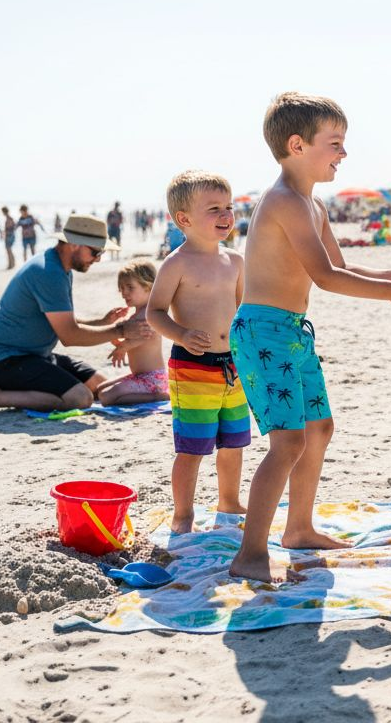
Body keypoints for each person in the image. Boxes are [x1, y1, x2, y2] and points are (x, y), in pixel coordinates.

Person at [228, 93, 391, 582]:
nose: (343, 154)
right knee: (286, 441)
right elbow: (323, 277)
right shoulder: (283, 201)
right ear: (297, 145)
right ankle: (250, 552)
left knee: (318, 429)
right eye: (336, 144)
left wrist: (390, 276)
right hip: (262, 332)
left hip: (292, 333)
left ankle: (298, 528)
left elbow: (340, 267)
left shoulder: (313, 204)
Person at [0, 215, 154, 414]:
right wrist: (120, 330)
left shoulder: (61, 268)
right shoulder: (49, 272)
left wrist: (101, 322)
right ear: (74, 244)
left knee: (99, 386)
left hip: (34, 356)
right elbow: (69, 336)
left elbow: (62, 321)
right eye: (95, 251)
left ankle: (12, 390)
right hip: (4, 362)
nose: (99, 258)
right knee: (80, 398)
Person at [146, 171, 249, 534]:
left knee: (234, 440)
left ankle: (229, 500)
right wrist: (182, 333)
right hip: (193, 366)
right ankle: (183, 513)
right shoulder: (177, 263)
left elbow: (242, 312)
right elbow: (154, 312)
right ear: (184, 219)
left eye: (228, 207)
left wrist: (248, 349)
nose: (225, 215)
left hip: (231, 365)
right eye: (214, 209)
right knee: (192, 446)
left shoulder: (235, 261)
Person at [96, 260, 168, 406]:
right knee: (100, 389)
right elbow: (125, 341)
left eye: (130, 287)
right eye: (121, 288)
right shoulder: (135, 316)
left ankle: (159, 397)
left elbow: (143, 337)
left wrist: (122, 347)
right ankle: (150, 394)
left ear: (149, 287)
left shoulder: (149, 314)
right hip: (140, 376)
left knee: (105, 397)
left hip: (152, 379)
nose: (124, 293)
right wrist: (117, 338)